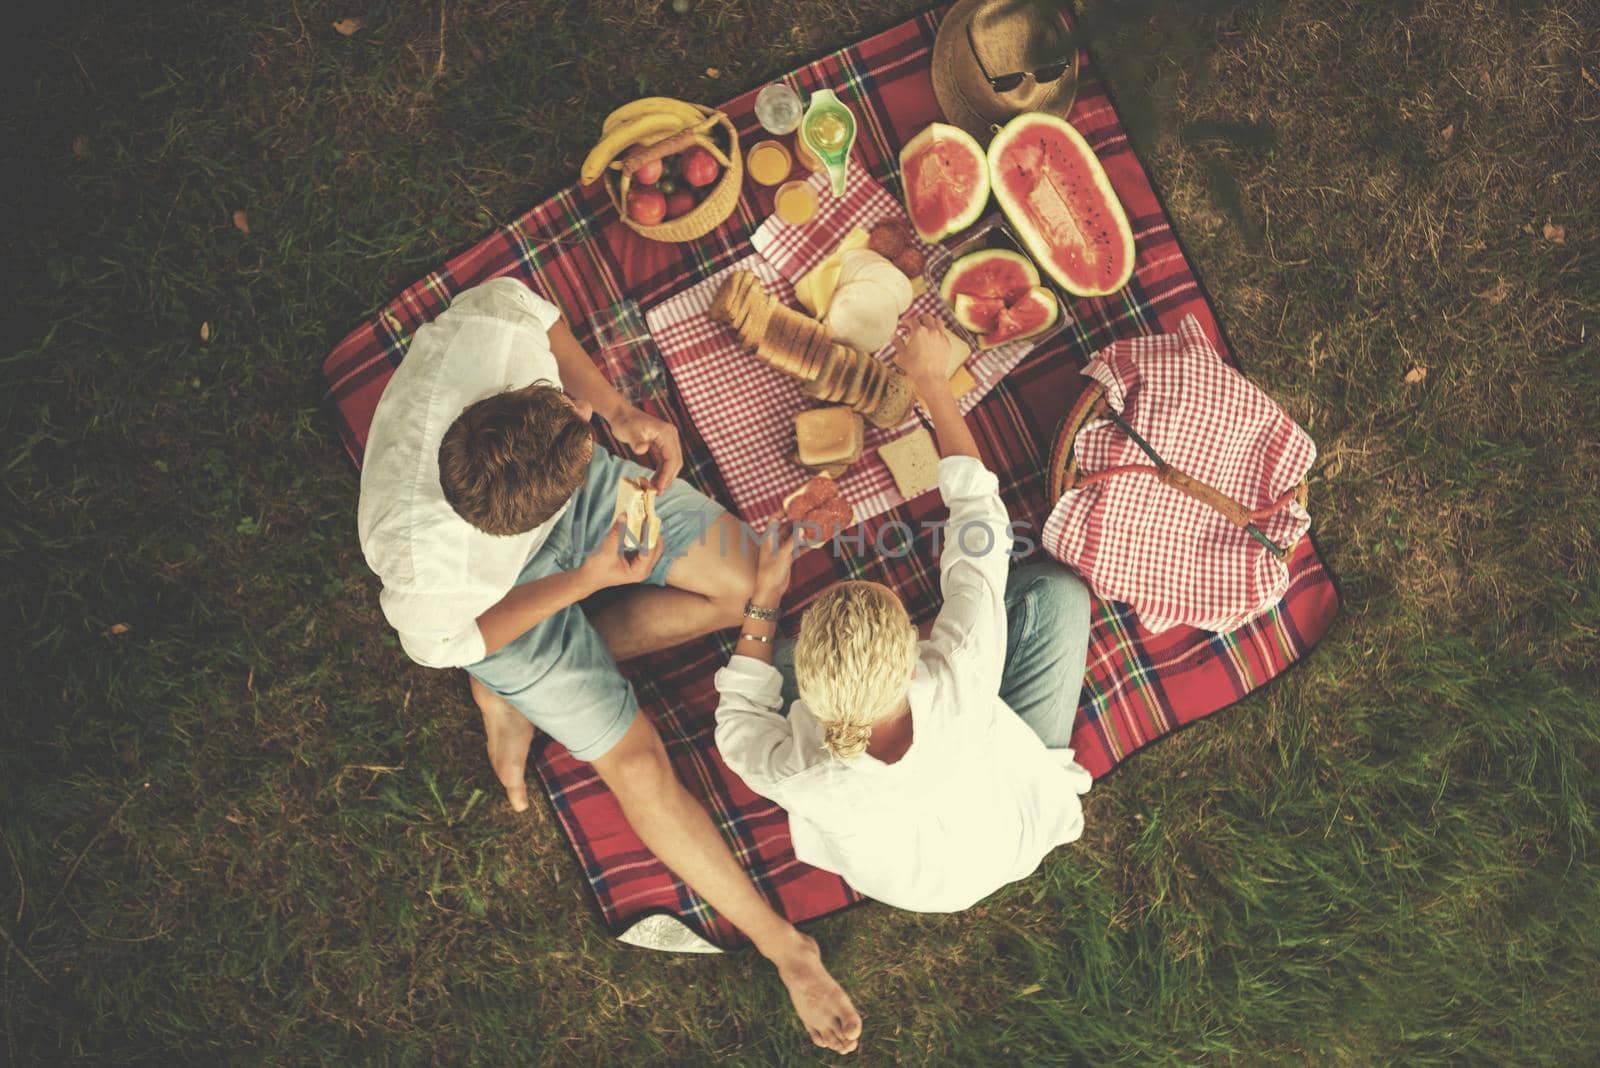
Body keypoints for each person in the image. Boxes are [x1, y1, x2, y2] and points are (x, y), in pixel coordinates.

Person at [357, 276, 861, 1054]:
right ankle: (783, 946)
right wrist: (589, 579)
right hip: (499, 607)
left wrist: (619, 413)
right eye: (589, 421)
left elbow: (538, 313)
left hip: (569, 489)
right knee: (637, 761)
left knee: (748, 585)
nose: (589, 414)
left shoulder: (492, 347)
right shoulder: (424, 572)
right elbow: (454, 637)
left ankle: (543, 682)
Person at [713, 314, 1094, 914]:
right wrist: (933, 382)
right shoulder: (963, 667)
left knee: (762, 655)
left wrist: (764, 599)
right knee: (1056, 594)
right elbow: (981, 522)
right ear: (916, 650)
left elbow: (737, 715)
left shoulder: (796, 776)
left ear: (811, 688)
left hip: (918, 881)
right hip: (1010, 826)